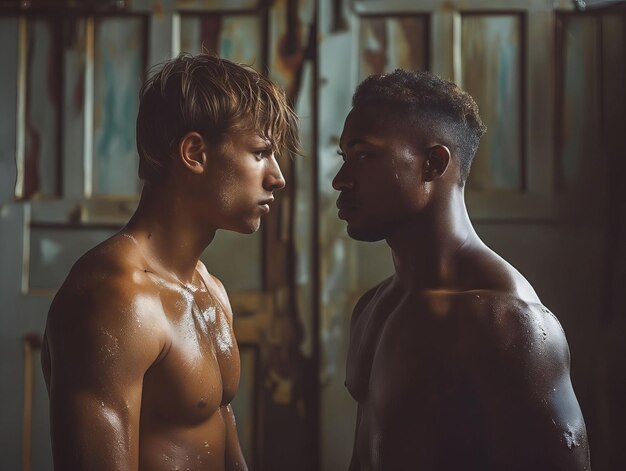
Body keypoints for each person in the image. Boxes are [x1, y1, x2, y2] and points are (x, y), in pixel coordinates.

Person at [41, 53, 299, 471]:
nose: (277, 176)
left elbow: (221, 431)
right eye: (259, 153)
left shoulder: (208, 286)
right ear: (195, 153)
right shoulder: (117, 298)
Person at [333, 70, 590, 470]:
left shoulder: (506, 322)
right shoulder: (371, 308)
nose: (340, 179)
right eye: (345, 158)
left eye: (364, 155)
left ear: (433, 164)